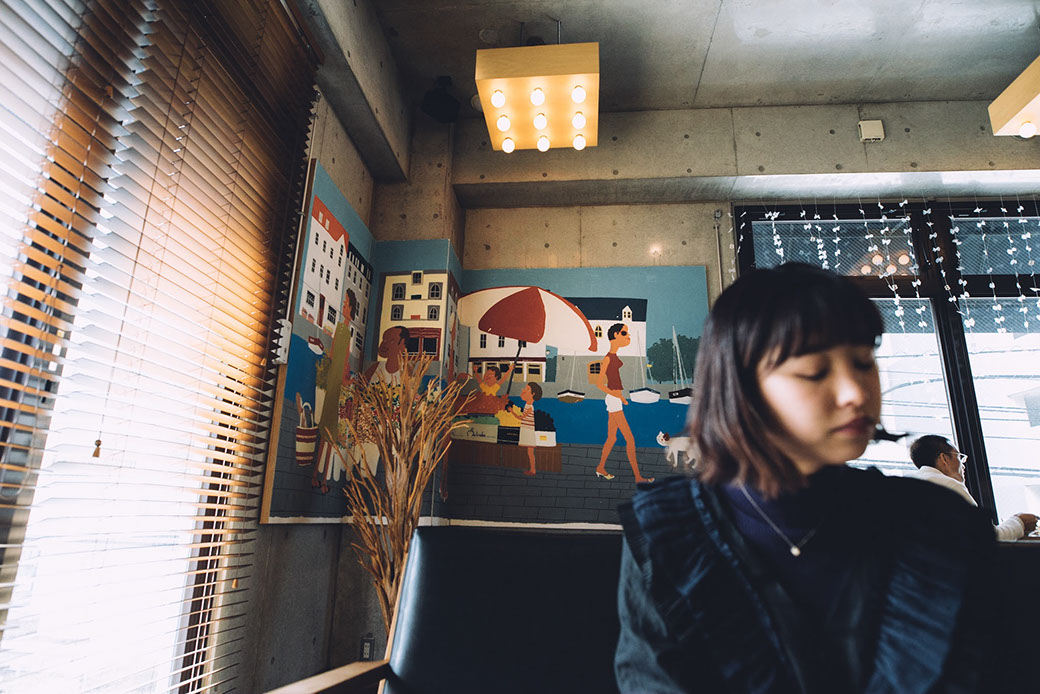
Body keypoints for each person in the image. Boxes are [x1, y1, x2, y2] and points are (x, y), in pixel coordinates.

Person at [615, 263, 996, 693]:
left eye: (863, 361)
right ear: (741, 388)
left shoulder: (938, 523)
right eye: (815, 371)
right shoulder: (668, 533)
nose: (856, 392)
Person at [907, 434, 1037, 541]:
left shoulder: (910, 486)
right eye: (959, 457)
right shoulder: (948, 486)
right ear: (944, 459)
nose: (963, 465)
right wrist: (1019, 521)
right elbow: (990, 537)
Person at [595, 323, 653, 484]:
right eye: (624, 333)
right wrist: (618, 397)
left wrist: (619, 397)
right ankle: (638, 477)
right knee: (630, 439)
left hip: (615, 399)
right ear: (615, 335)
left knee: (612, 438)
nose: (628, 336)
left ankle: (600, 467)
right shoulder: (608, 358)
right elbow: (599, 384)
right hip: (614, 399)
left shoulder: (613, 356)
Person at [517, 382, 542, 476]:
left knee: (530, 452)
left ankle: (533, 470)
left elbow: (521, 417)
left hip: (528, 431)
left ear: (533, 394)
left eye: (527, 389)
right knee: (529, 452)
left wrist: (512, 412)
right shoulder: (527, 405)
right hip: (526, 430)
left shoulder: (530, 407)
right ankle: (532, 469)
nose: (524, 390)